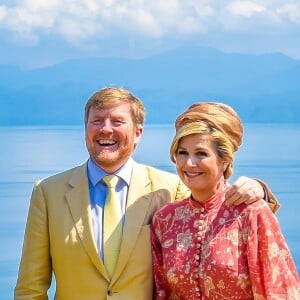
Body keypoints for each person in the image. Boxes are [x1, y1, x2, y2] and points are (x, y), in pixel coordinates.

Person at [14, 88, 279, 300]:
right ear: (86, 129)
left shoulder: (169, 187)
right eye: (97, 121)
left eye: (117, 121)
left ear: (138, 132)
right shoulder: (48, 193)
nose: (106, 129)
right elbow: (30, 288)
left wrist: (259, 189)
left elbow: (213, 200)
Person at [151, 102, 300, 299]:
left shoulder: (251, 213)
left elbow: (278, 290)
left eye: (201, 153)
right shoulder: (165, 220)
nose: (189, 163)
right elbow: (162, 292)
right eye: (182, 153)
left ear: (225, 160)